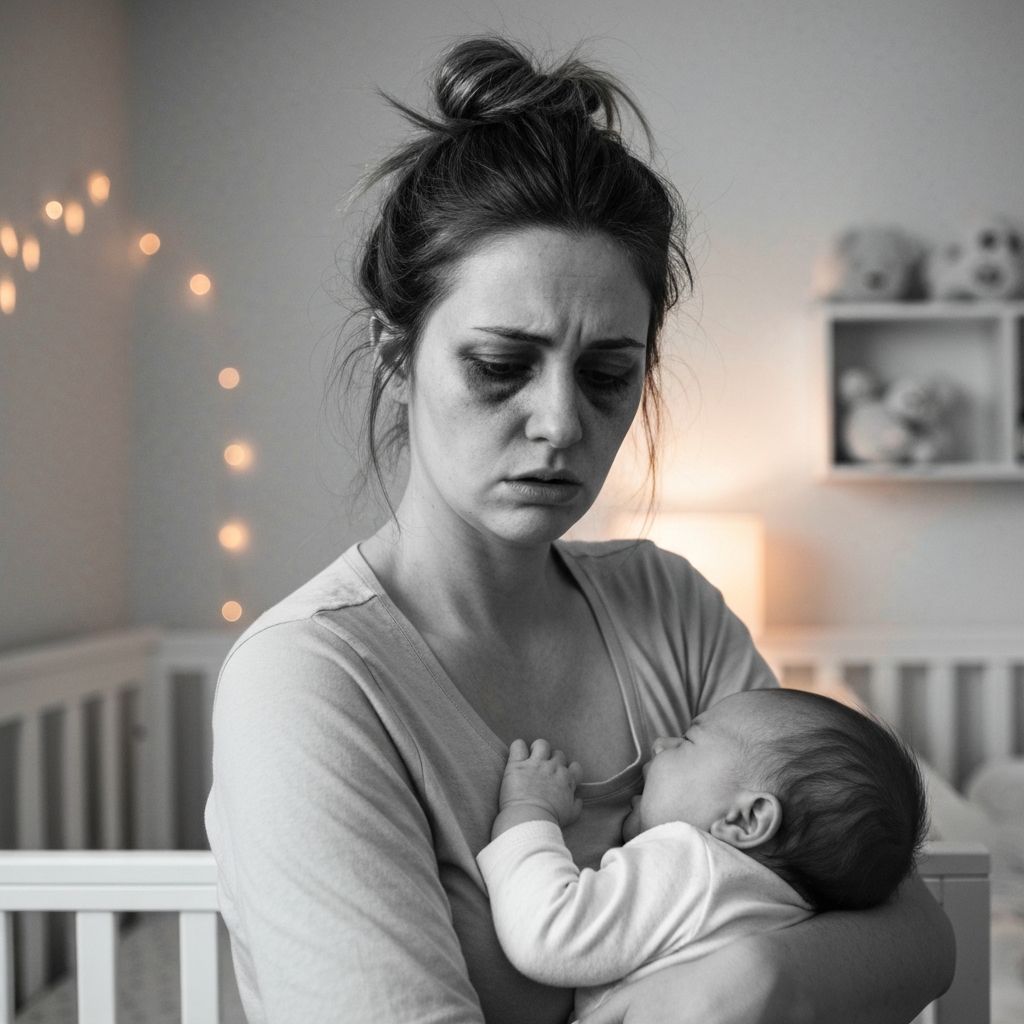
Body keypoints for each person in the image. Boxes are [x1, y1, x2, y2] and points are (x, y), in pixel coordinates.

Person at [204, 35, 954, 1024]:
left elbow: (918, 932)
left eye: (607, 375)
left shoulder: (666, 606)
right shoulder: (311, 684)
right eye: (500, 365)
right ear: (399, 355)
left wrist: (753, 984)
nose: (562, 424)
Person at [477, 688, 930, 1021]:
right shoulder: (788, 907)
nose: (660, 744)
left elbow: (552, 931)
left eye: (689, 739)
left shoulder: (694, 864)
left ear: (744, 821)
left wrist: (528, 809)